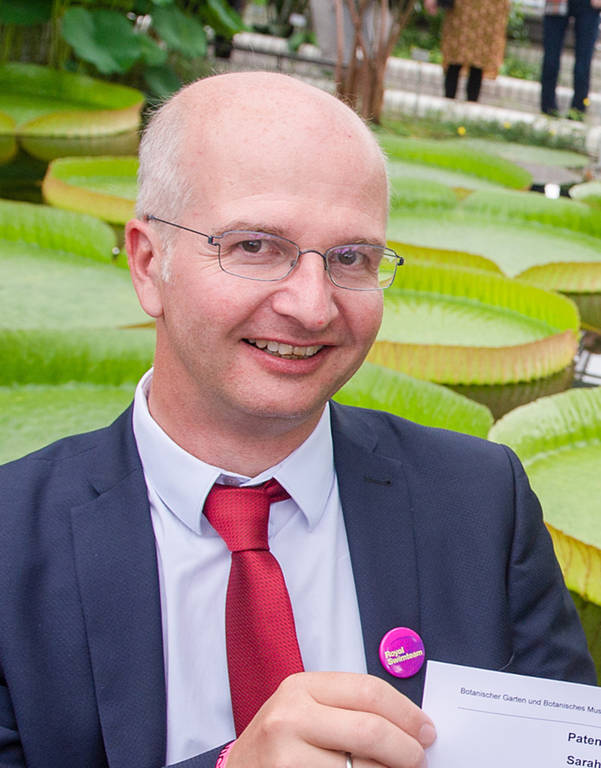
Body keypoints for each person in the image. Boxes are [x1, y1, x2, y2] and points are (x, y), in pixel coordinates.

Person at [0, 71, 595, 768]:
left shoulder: (480, 502)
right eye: (255, 246)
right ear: (147, 261)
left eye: (350, 258)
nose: (312, 307)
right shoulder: (12, 542)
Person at [425, 0, 511, 102]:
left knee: (477, 62)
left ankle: (468, 106)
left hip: (487, 11)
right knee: (456, 58)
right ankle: (448, 104)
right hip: (462, 11)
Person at [541, 0, 601, 117]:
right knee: (551, 59)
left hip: (588, 5)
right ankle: (548, 109)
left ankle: (578, 110)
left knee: (583, 62)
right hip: (557, 3)